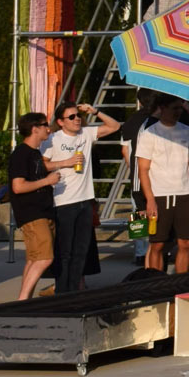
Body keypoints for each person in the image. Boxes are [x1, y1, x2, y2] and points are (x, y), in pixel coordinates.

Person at [44, 102, 121, 294]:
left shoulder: (86, 134)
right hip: (63, 201)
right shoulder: (52, 139)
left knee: (81, 251)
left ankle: (75, 291)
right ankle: (62, 291)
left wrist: (95, 111)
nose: (77, 119)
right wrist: (65, 162)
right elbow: (41, 166)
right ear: (61, 122)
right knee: (65, 252)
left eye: (78, 115)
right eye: (71, 117)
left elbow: (115, 126)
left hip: (85, 200)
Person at [135, 99, 189, 273]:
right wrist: (149, 199)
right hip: (159, 194)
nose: (178, 112)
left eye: (180, 108)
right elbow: (143, 169)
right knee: (157, 244)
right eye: (174, 108)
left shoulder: (188, 132)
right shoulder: (149, 133)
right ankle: (156, 283)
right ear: (162, 108)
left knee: (186, 242)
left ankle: (179, 285)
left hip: (184, 193)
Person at [8, 113, 61, 300]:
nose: (49, 128)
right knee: (44, 258)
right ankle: (22, 300)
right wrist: (47, 181)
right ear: (34, 129)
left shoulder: (35, 153)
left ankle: (25, 299)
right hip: (32, 213)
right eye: (45, 125)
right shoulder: (22, 154)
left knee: (34, 258)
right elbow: (18, 186)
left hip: (42, 211)